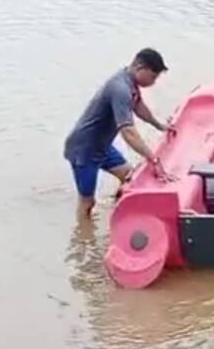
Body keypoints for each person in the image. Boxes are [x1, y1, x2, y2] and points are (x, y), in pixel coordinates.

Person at [63, 48, 174, 222]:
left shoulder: (130, 83)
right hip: (84, 149)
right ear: (140, 67)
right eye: (153, 77)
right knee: (87, 202)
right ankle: (82, 239)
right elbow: (128, 132)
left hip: (102, 146)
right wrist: (153, 159)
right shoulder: (120, 88)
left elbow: (138, 107)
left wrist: (160, 126)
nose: (154, 82)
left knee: (129, 175)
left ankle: (118, 211)